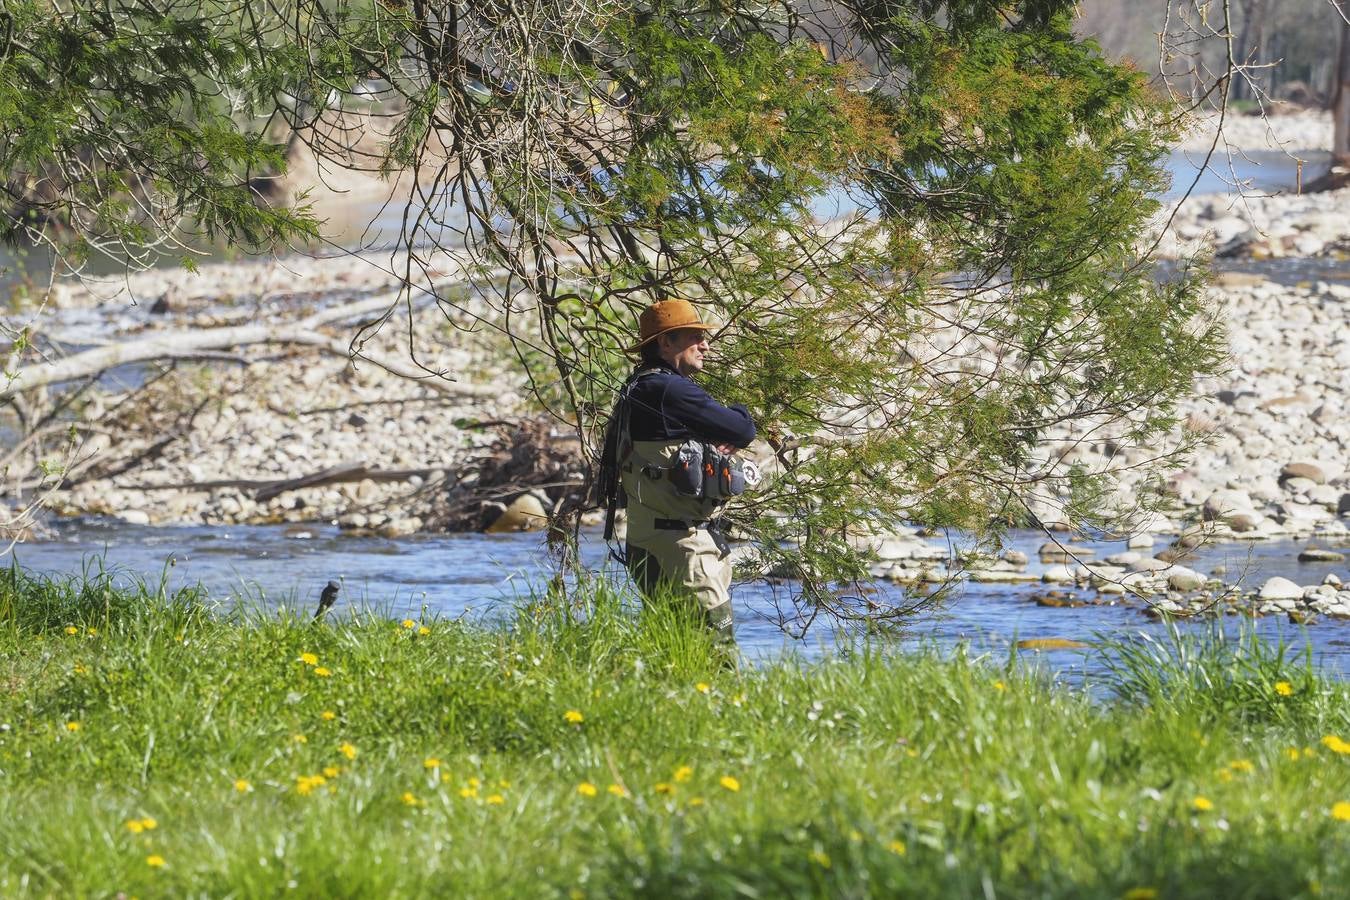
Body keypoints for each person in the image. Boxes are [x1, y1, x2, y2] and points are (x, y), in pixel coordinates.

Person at [598, 298, 756, 641]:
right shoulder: (668, 388)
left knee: (671, 648)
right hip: (682, 548)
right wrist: (741, 411)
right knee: (716, 651)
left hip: (648, 541)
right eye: (693, 336)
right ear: (665, 343)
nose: (705, 345)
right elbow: (742, 430)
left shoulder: (639, 385)